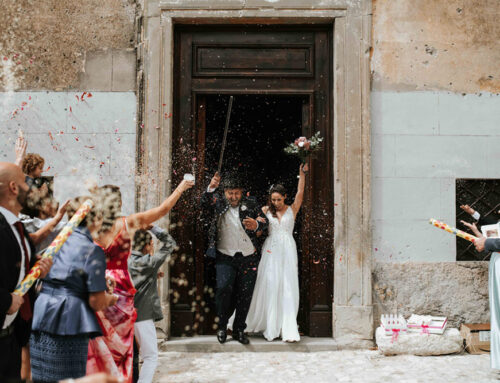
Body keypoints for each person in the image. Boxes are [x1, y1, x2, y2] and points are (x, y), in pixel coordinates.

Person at [87, 179, 194, 382]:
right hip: (121, 292)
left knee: (102, 347)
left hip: (99, 289)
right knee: (123, 351)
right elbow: (163, 209)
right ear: (118, 204)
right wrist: (181, 186)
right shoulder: (127, 222)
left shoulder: (91, 228)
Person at [29, 196, 118, 382]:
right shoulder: (93, 250)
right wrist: (111, 299)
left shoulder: (54, 239)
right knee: (67, 377)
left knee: (42, 376)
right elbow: (96, 301)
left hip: (42, 311)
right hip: (68, 320)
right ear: (96, 219)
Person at [201, 172, 268, 345]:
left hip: (248, 256)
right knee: (223, 290)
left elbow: (264, 220)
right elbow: (204, 204)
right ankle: (222, 327)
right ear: (224, 192)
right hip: (225, 255)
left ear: (241, 192)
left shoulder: (251, 203)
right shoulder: (218, 202)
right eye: (230, 193)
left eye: (236, 193)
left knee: (245, 294)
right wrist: (210, 188)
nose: (233, 197)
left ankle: (239, 329)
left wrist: (257, 224)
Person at [243, 163, 308, 342]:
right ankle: (270, 325)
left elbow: (300, 193)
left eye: (279, 199)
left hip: (287, 250)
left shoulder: (292, 209)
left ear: (285, 197)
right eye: (273, 200)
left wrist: (301, 173)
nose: (276, 203)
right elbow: (257, 227)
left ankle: (287, 326)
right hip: (271, 249)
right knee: (270, 284)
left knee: (287, 285)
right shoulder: (265, 210)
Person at [0, 162, 52, 381]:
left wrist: (34, 268)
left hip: (11, 339)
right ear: (14, 187)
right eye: (25, 182)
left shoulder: (15, 227)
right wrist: (4, 301)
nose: (29, 188)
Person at [128, 226, 176, 383]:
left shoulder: (125, 261)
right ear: (146, 245)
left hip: (125, 316)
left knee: (131, 356)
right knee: (150, 356)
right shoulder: (149, 262)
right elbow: (170, 243)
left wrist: (153, 275)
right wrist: (154, 228)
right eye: (152, 244)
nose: (154, 247)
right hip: (142, 316)